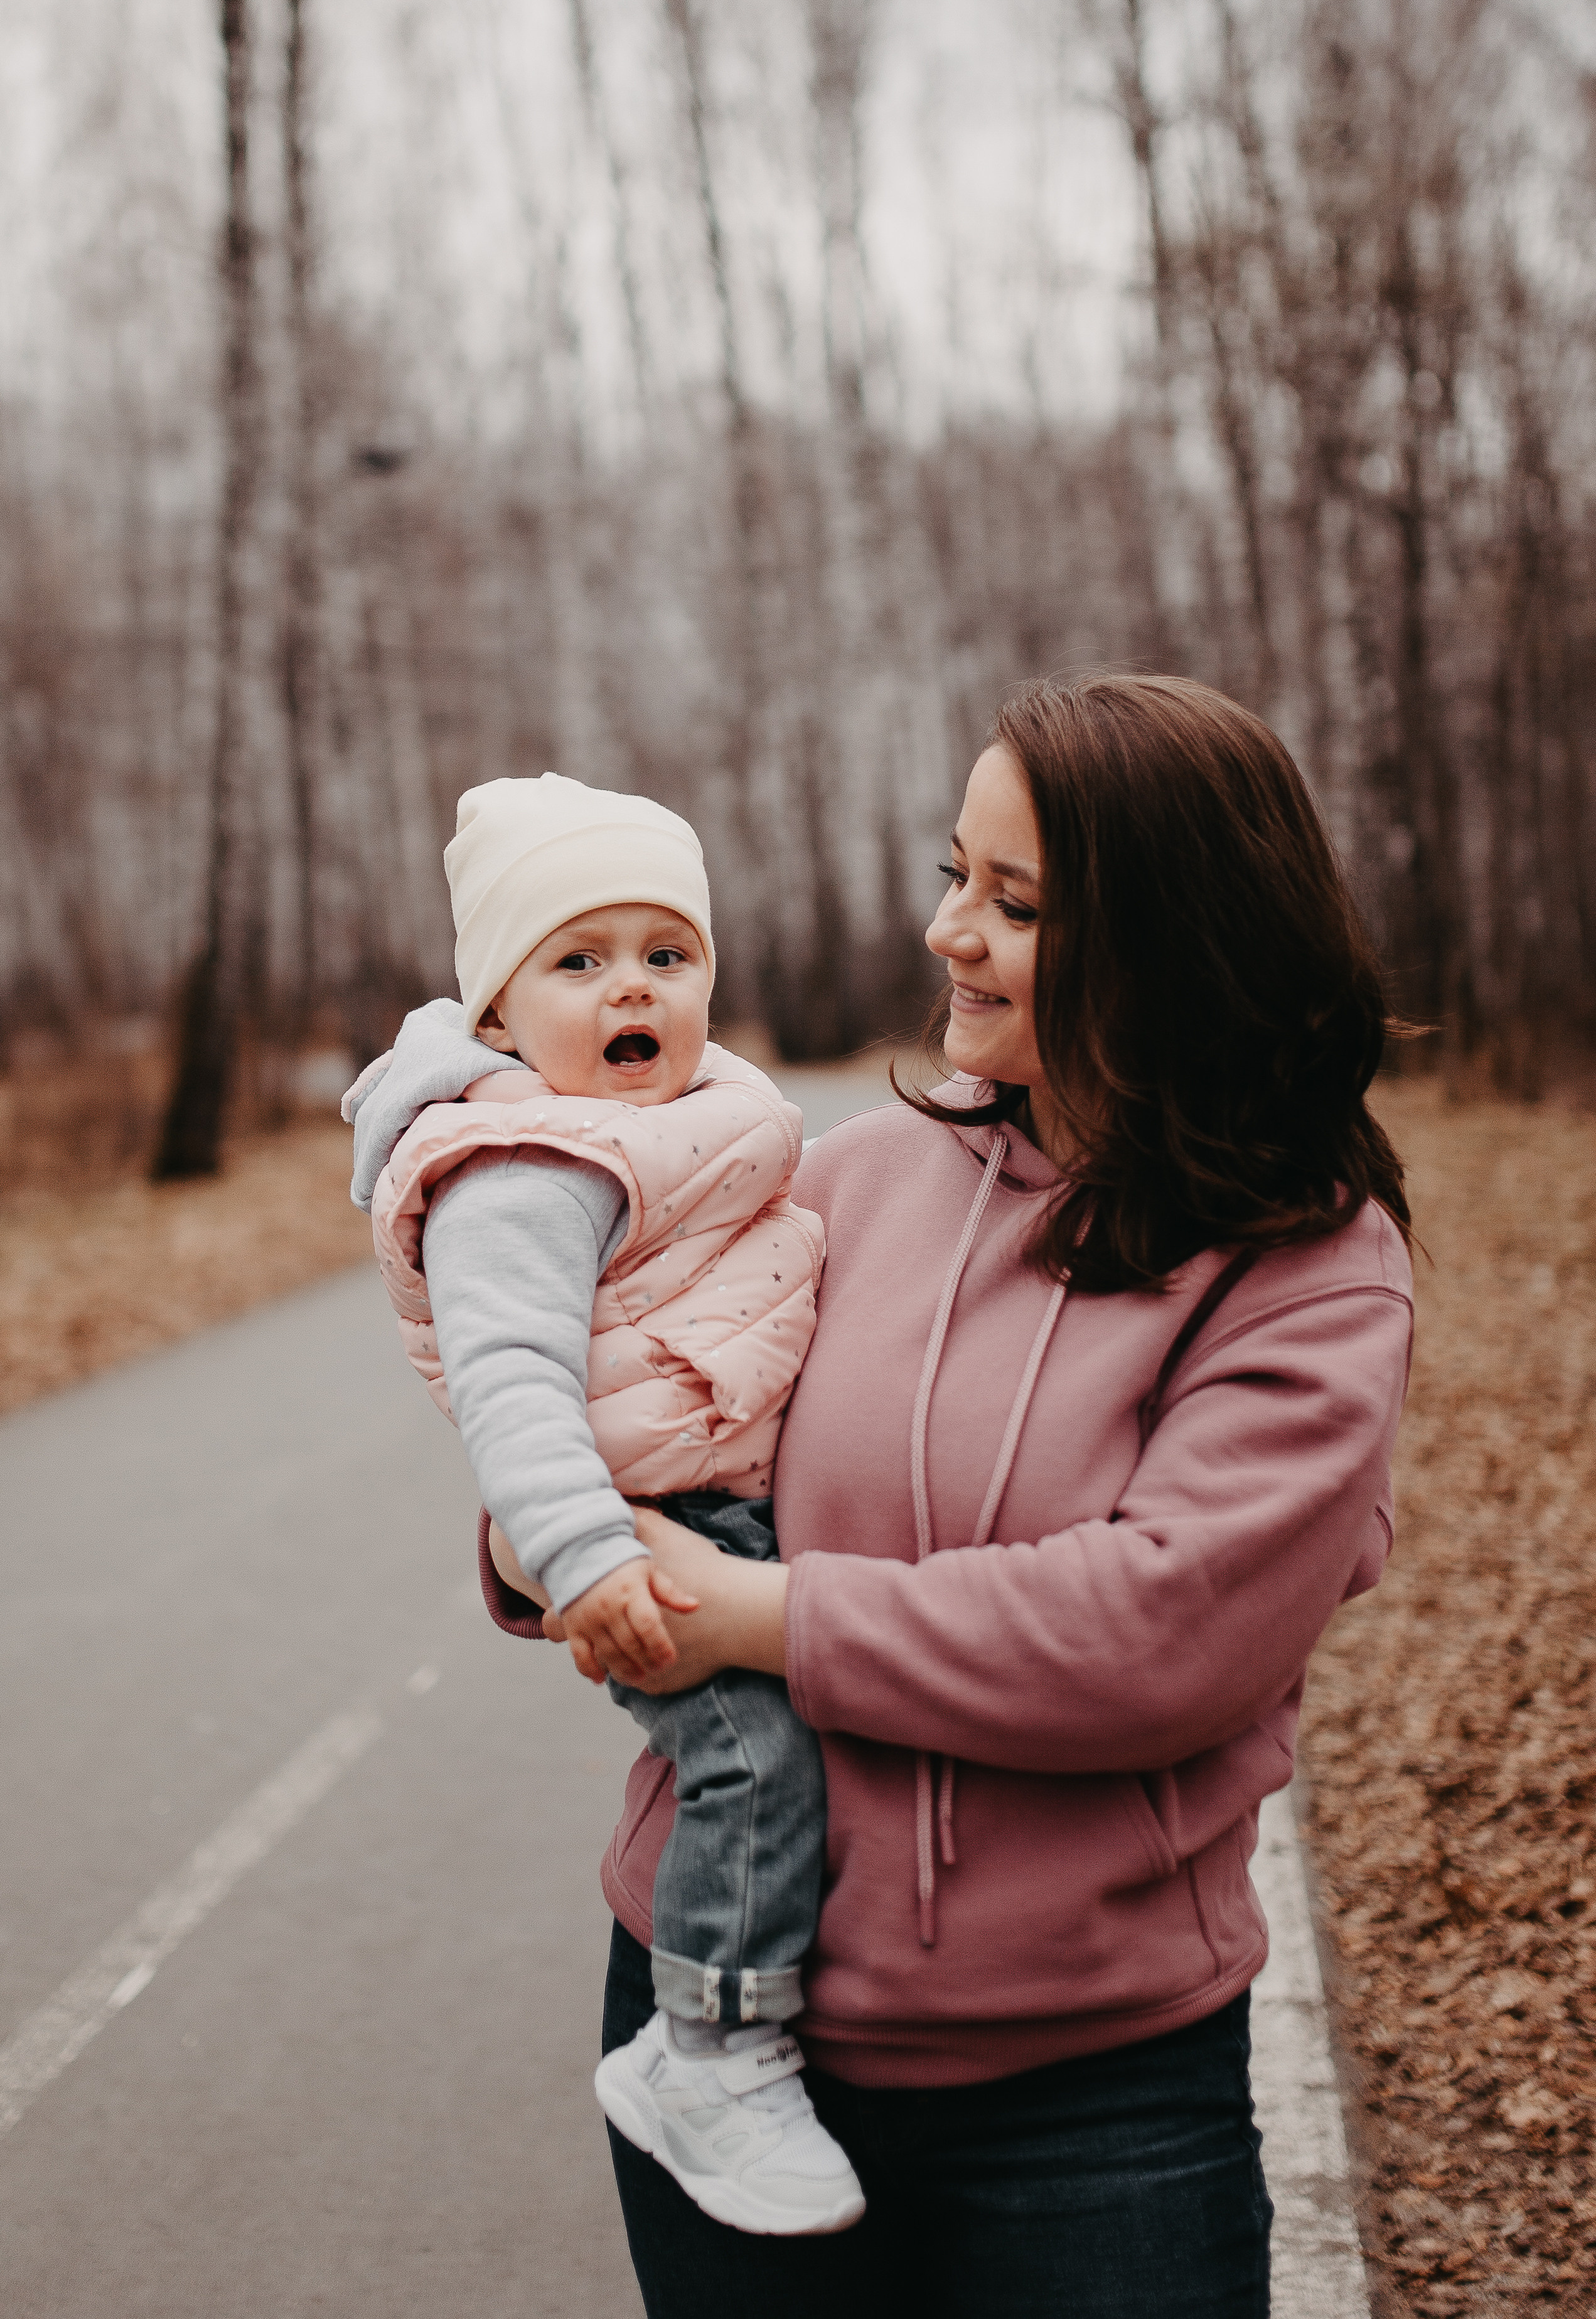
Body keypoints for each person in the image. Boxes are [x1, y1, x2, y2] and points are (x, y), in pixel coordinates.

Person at [491, 673, 1414, 2317]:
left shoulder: (1314, 1274)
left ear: (1175, 940)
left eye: (1017, 901)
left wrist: (739, 1609)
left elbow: (1148, 1632)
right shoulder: (840, 1179)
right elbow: (650, 1429)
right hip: (718, 2016)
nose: (949, 934)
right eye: (954, 874)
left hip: (1090, 2091)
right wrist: (544, 1543)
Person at [345, 772, 865, 2237]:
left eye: (665, 952)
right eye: (578, 960)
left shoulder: (680, 1115)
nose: (630, 983)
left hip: (722, 1492)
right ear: (501, 1015)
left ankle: (729, 2031)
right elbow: (512, 1384)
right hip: (652, 1523)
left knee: (790, 1750)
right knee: (753, 1763)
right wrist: (582, 1555)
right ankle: (709, 2048)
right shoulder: (522, 1166)